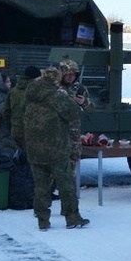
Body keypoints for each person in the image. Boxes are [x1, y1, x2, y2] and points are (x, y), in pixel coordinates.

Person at [24, 67, 89, 230]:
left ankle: (42, 219)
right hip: (56, 148)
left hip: (34, 149)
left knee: (41, 185)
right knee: (65, 184)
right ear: (55, 80)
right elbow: (73, 112)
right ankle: (72, 217)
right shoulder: (55, 96)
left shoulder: (29, 95)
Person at [4, 66, 40, 156]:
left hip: (16, 131)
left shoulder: (13, 91)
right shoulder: (37, 92)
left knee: (21, 156)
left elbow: (6, 113)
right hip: (32, 132)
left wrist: (11, 127)